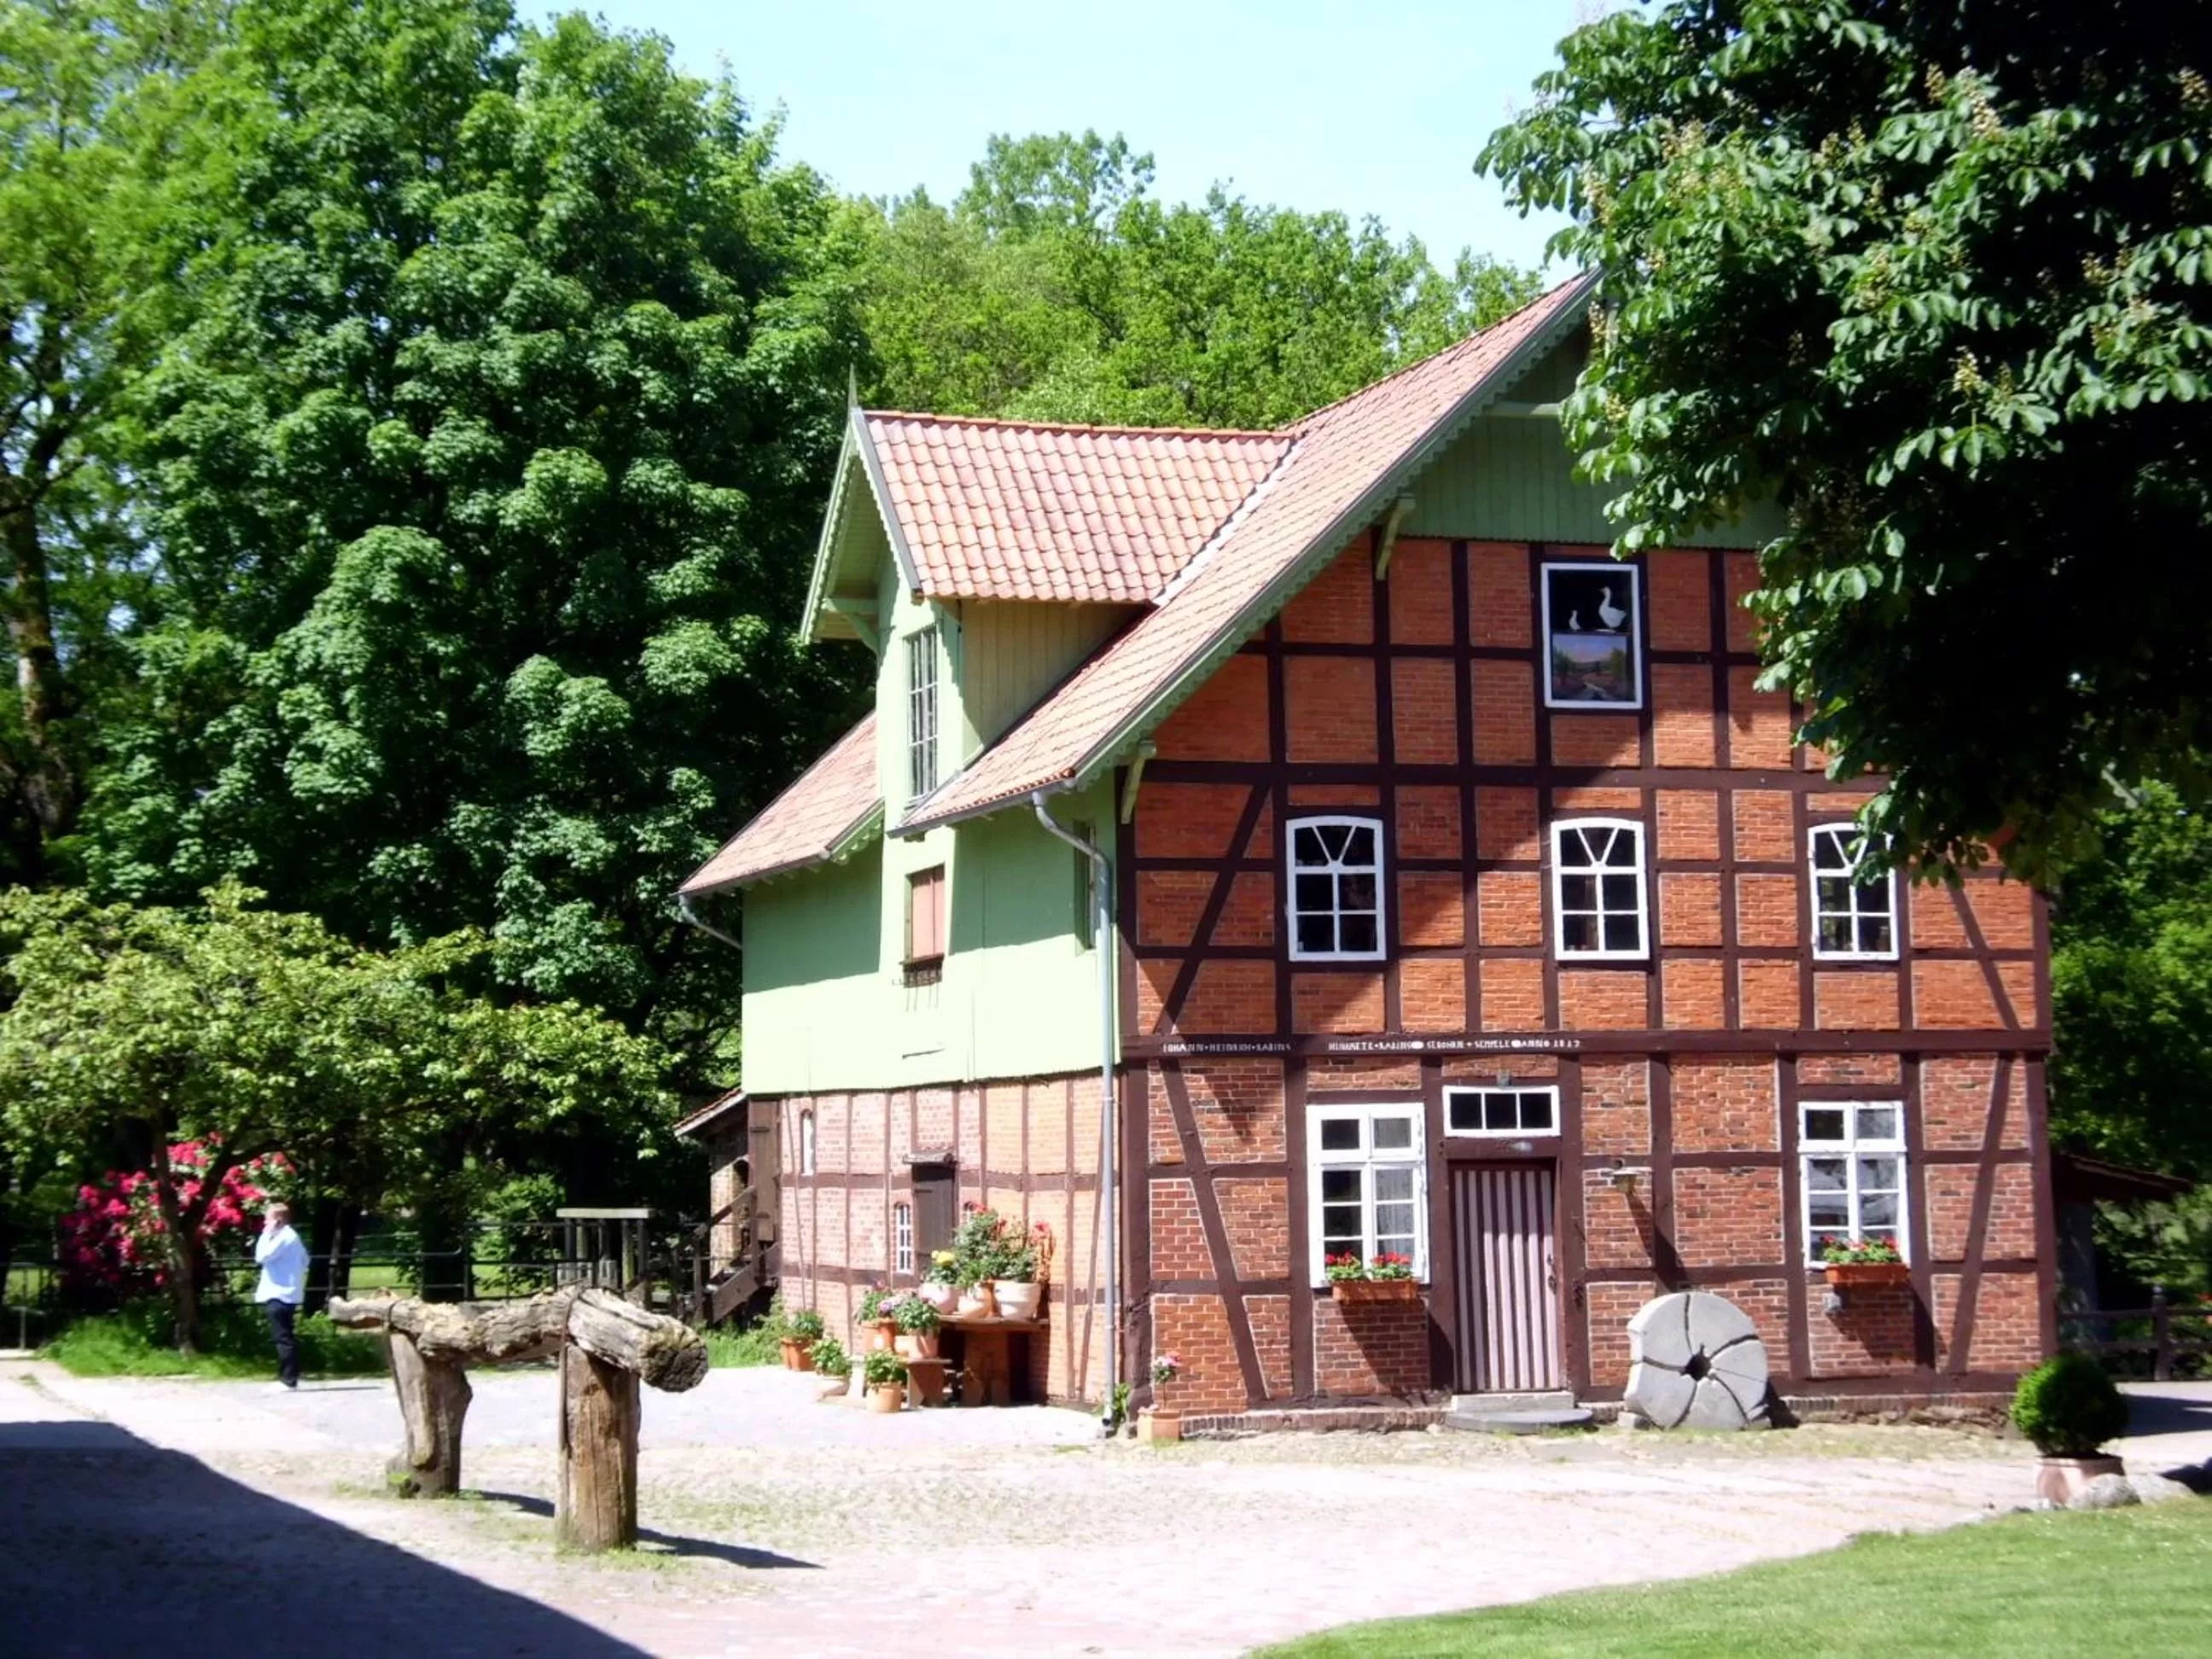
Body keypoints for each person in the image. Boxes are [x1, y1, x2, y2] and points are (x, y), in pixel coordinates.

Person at [253, 1202, 308, 1389]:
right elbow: (305, 1260)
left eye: (267, 1219)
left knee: (283, 1338)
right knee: (285, 1336)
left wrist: (266, 1234)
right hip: (286, 1292)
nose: (264, 1222)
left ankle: (288, 1380)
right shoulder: (292, 1237)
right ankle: (288, 1377)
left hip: (280, 1293)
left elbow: (261, 1257)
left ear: (277, 1220)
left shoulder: (284, 1238)